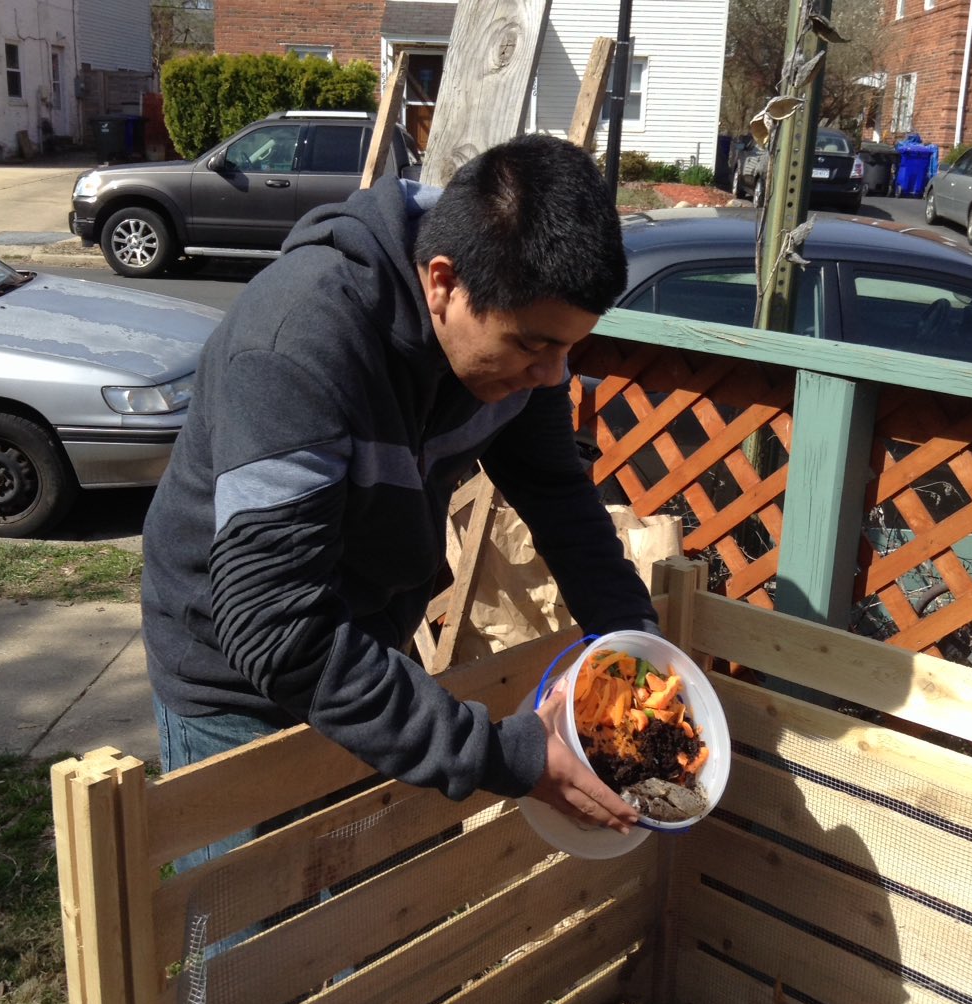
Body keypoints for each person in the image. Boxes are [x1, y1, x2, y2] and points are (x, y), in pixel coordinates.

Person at [141, 132, 662, 866]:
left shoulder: (517, 351)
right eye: (533, 346)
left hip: (362, 645)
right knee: (251, 951)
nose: (553, 376)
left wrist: (636, 642)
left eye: (568, 349)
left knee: (362, 909)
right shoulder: (298, 342)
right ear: (443, 282)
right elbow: (274, 630)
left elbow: (558, 498)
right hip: (232, 670)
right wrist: (511, 756)